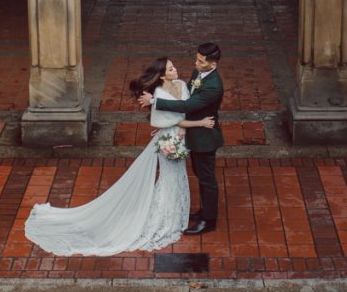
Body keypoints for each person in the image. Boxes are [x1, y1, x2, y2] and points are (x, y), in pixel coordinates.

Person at [24, 58, 213, 256]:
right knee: (169, 179)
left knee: (178, 177)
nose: (176, 70)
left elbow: (187, 108)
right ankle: (164, 221)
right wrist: (199, 124)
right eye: (171, 69)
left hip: (181, 141)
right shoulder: (158, 94)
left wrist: (187, 124)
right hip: (168, 141)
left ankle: (175, 216)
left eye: (174, 67)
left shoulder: (182, 84)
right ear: (163, 75)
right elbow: (168, 121)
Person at [139, 42, 224, 235]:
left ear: (212, 64)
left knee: (207, 178)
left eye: (201, 61)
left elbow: (187, 106)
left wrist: (154, 101)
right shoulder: (199, 74)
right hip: (194, 133)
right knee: (200, 174)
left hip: (205, 137)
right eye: (197, 58)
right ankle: (204, 211)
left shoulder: (214, 86)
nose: (196, 63)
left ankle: (209, 220)